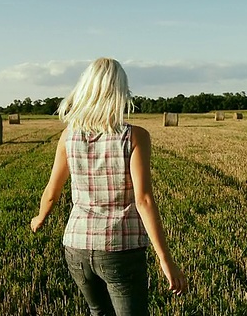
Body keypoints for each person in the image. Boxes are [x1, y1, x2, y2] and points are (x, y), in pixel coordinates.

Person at [30, 57, 187, 315]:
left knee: (98, 312)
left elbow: (51, 192)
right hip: (120, 248)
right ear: (120, 93)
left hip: (76, 246)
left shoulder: (68, 135)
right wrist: (165, 260)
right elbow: (144, 200)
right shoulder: (135, 136)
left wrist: (40, 218)